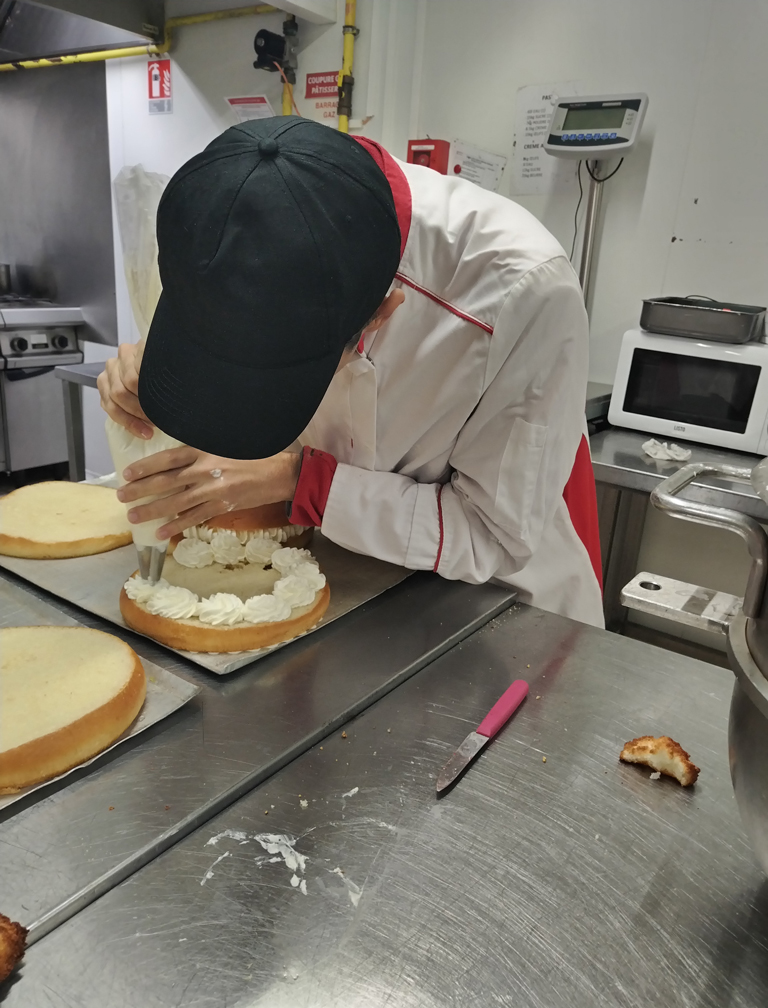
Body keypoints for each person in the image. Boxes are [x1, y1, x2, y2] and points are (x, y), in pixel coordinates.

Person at [98, 116, 603, 627]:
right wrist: (164, 372)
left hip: (497, 611)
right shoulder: (250, 208)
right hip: (341, 576)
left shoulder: (522, 293)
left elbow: (489, 536)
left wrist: (300, 481)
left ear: (380, 316)